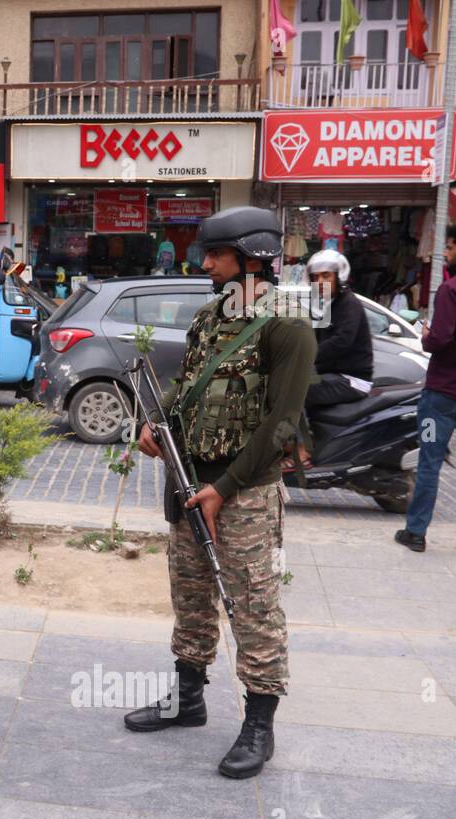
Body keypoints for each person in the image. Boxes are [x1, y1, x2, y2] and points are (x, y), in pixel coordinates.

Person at [126, 206, 317, 780]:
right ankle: (189, 697)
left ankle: (259, 723)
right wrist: (159, 430)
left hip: (245, 492)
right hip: (190, 481)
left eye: (216, 254)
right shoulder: (210, 317)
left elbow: (282, 423)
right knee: (190, 594)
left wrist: (225, 488)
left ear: (253, 258)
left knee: (252, 606)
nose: (204, 262)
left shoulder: (288, 324)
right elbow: (187, 388)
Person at [395, 221, 456, 556]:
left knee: (429, 461)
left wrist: (427, 334)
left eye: (449, 247)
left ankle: (416, 532)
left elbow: (439, 339)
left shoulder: (453, 289)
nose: (445, 254)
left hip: (443, 396)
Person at [286, 249, 373, 469]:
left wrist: (307, 356)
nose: (320, 282)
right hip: (333, 373)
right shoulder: (328, 305)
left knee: (295, 390)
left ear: (339, 277)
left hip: (351, 379)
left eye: (326, 276)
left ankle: (302, 450)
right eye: (316, 278)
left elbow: (342, 341)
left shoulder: (348, 304)